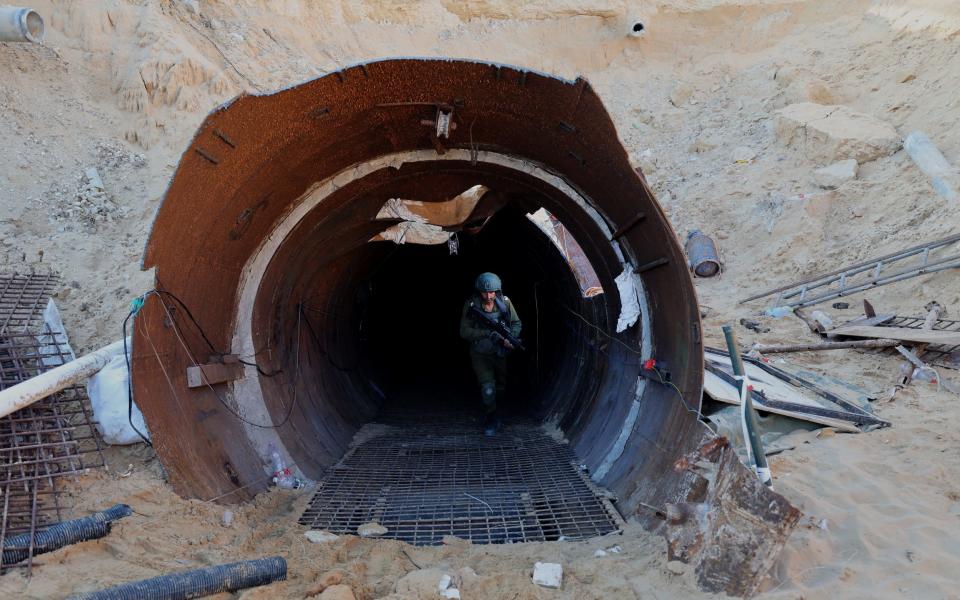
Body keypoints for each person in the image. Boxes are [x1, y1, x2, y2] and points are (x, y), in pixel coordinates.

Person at [459, 272, 522, 435]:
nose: (489, 295)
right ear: (479, 291)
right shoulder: (472, 305)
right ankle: (490, 419)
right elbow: (464, 331)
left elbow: (516, 323)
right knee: (488, 388)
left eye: (492, 292)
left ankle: (494, 410)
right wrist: (486, 333)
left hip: (499, 352)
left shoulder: (505, 303)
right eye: (485, 292)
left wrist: (510, 339)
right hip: (480, 354)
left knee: (500, 387)